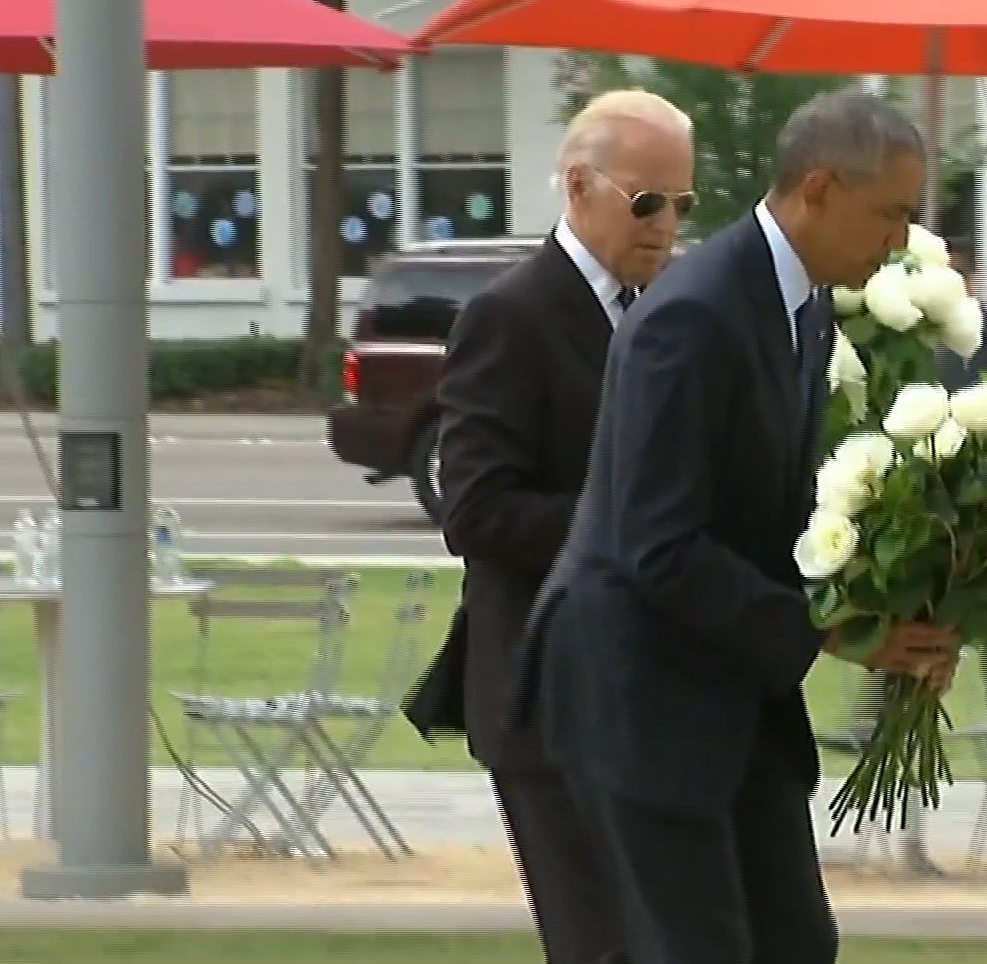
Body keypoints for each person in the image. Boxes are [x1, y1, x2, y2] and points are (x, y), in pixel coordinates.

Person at [505, 89, 958, 964]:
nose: (901, 241)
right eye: (890, 213)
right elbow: (656, 545)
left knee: (795, 942)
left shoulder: (804, 304)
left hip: (726, 694)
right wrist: (833, 632)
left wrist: (896, 590)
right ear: (818, 188)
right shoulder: (695, 314)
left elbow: (763, 511)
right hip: (637, 695)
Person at [413, 89, 697, 964]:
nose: (666, 226)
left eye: (681, 205)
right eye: (647, 202)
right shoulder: (510, 315)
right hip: (547, 696)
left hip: (657, 701)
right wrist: (634, 524)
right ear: (579, 186)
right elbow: (477, 511)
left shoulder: (671, 311)